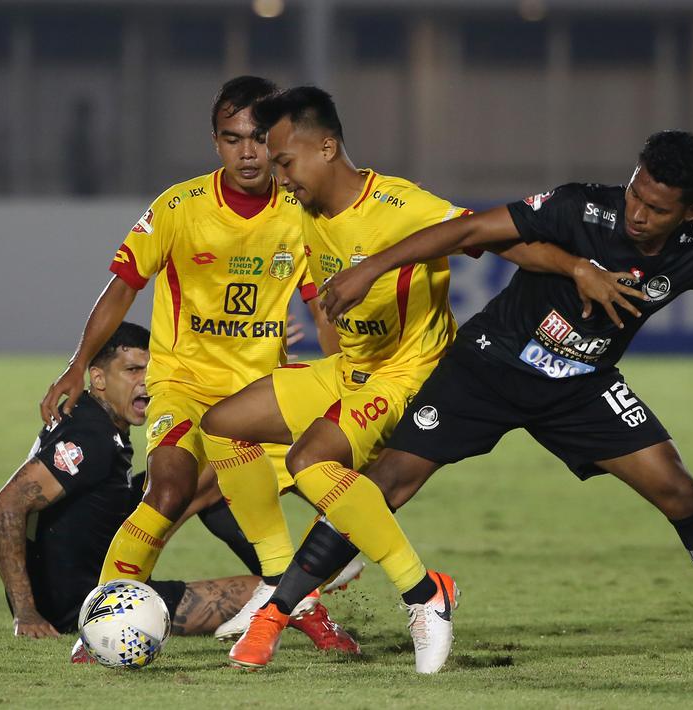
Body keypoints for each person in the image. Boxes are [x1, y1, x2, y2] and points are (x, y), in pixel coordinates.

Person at [233, 130, 693, 674]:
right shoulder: (578, 207)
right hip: (486, 368)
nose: (639, 213)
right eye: (635, 195)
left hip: (580, 387)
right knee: (384, 485)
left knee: (679, 492)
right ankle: (275, 614)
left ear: (690, 212)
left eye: (657, 208)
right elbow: (471, 231)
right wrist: (372, 266)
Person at [199, 86, 614, 674]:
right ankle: (281, 585)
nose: (278, 176)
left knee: (310, 463)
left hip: (409, 376)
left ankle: (424, 594)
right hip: (349, 372)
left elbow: (501, 239)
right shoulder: (301, 208)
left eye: (286, 162)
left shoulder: (402, 207)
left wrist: (576, 267)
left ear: (327, 147)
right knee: (221, 427)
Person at [38, 76, 354, 657]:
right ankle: (100, 619)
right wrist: (77, 364)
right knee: (168, 491)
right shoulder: (179, 208)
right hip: (183, 385)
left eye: (259, 138)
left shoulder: (299, 211)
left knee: (331, 495)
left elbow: (323, 305)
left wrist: (345, 379)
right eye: (233, 139)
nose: (249, 152)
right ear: (216, 143)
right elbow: (121, 287)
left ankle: (309, 607)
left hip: (258, 398)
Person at [0, 323, 260, 652]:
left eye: (151, 369)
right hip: (98, 606)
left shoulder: (94, 422)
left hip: (92, 586)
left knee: (197, 468)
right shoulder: (93, 439)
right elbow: (4, 506)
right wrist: (26, 614)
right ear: (98, 379)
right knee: (257, 591)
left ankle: (279, 574)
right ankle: (282, 578)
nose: (145, 380)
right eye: (132, 370)